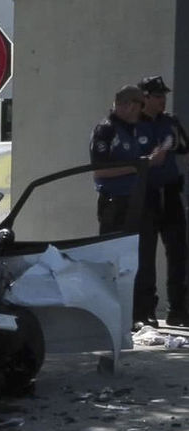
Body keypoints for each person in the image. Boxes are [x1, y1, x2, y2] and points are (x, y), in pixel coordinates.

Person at [91, 84, 169, 328]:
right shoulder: (106, 130)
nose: (139, 112)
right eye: (137, 106)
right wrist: (141, 165)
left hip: (138, 201)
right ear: (127, 105)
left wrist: (151, 160)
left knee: (141, 257)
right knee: (114, 260)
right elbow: (99, 172)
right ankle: (114, 315)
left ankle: (141, 313)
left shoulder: (132, 130)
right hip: (116, 204)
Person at [138, 75, 189, 326]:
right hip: (145, 194)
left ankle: (178, 308)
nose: (162, 100)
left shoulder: (170, 122)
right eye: (157, 96)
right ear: (144, 98)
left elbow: (184, 149)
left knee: (178, 251)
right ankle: (147, 311)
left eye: (163, 96)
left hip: (170, 193)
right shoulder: (133, 124)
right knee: (145, 255)